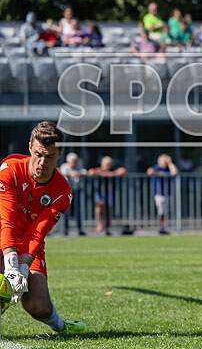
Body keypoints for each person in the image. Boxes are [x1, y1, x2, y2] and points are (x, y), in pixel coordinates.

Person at [0, 122, 96, 335]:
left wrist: (23, 269)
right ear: (29, 147)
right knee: (2, 282)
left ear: (60, 154)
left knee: (38, 306)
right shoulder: (9, 169)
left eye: (49, 156)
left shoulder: (63, 192)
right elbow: (6, 221)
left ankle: (61, 325)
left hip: (29, 244)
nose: (42, 162)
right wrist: (12, 267)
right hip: (2, 236)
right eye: (38, 154)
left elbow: (37, 233)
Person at [88, 156, 127, 235]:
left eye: (109, 164)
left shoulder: (113, 169)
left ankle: (107, 227)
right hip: (100, 192)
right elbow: (91, 171)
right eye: (106, 164)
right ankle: (100, 224)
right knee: (99, 205)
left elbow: (123, 170)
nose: (107, 166)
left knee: (108, 210)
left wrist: (113, 174)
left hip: (110, 192)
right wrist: (103, 174)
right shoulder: (100, 169)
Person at [147, 154, 178, 235]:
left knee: (166, 212)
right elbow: (149, 171)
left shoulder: (168, 168)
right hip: (159, 193)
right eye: (164, 161)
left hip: (168, 193)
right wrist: (160, 173)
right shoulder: (156, 167)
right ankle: (161, 227)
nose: (165, 163)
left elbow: (174, 172)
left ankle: (164, 228)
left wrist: (170, 162)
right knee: (161, 211)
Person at [59, 152, 86, 236]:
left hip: (76, 191)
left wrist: (76, 173)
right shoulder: (64, 166)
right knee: (66, 211)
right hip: (66, 192)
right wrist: (74, 173)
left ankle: (80, 229)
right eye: (71, 162)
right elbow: (64, 172)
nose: (73, 164)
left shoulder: (79, 167)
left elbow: (85, 172)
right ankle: (65, 229)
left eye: (74, 162)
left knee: (78, 210)